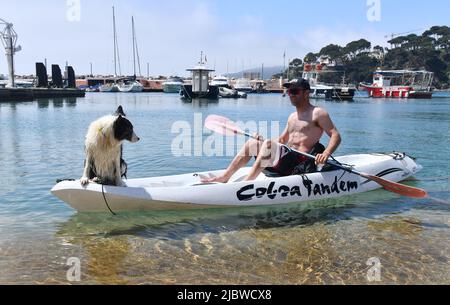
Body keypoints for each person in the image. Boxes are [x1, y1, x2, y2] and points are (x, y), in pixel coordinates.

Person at [202, 78, 342, 183]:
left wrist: (326, 154)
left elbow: (335, 135)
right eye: (289, 92)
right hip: (287, 159)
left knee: (268, 144)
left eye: (294, 91)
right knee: (253, 143)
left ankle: (247, 183)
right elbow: (282, 140)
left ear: (306, 93)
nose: (291, 95)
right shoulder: (292, 116)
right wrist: (262, 141)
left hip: (300, 163)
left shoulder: (318, 113)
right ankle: (225, 176)